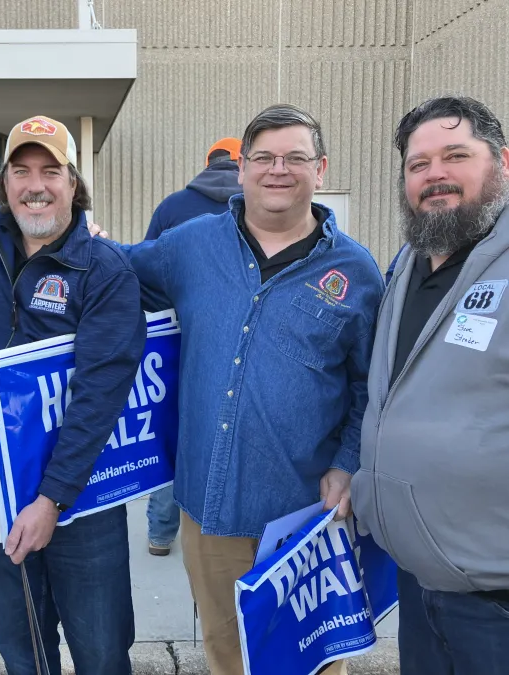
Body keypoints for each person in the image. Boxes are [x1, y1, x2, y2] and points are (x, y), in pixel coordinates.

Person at [120, 104, 383, 675]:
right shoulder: (190, 246)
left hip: (304, 517)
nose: (277, 170)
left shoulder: (357, 273)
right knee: (226, 655)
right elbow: (113, 274)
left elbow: (370, 386)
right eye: (262, 157)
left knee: (308, 661)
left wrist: (347, 459)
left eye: (295, 158)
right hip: (208, 512)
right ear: (241, 171)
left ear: (322, 168)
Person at [0, 115, 146, 675]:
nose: (35, 184)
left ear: (74, 183)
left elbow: (100, 396)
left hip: (83, 496)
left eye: (51, 170)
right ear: (4, 184)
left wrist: (52, 499)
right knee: (24, 650)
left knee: (101, 652)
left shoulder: (105, 268)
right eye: (20, 171)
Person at [352, 95, 509, 675]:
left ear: (502, 163)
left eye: (455, 155)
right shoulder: (411, 260)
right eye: (418, 165)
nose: (435, 175)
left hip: (496, 604)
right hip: (420, 585)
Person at [144, 136, 242, 556]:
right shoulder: (261, 206)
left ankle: (161, 533)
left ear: (207, 164)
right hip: (240, 339)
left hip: (178, 335)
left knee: (177, 428)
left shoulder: (173, 207)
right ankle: (227, 522)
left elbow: (148, 270)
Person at [144, 136, 242, 240]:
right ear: (243, 163)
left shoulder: (170, 206)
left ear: (209, 165)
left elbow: (146, 253)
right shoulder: (255, 206)